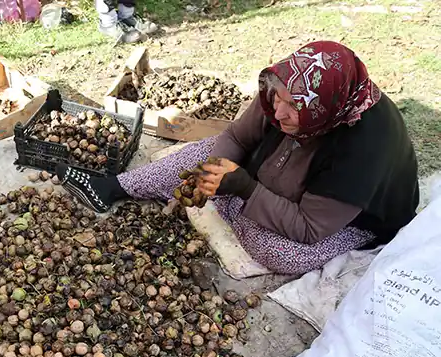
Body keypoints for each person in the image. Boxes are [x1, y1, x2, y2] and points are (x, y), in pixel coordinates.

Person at [57, 41, 419, 275]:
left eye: (293, 108)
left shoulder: (364, 147)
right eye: (276, 98)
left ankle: (234, 204)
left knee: (277, 252)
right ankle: (114, 186)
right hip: (280, 179)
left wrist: (243, 187)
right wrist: (216, 171)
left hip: (345, 222)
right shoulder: (289, 89)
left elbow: (309, 228)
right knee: (208, 153)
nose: (278, 112)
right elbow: (235, 135)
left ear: (324, 111)